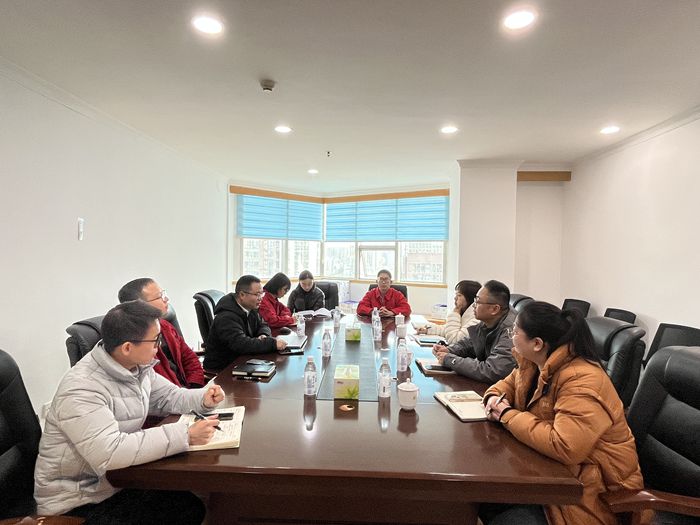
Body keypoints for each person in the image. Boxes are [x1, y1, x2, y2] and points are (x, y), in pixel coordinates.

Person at [34, 300, 225, 523]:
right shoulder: (81, 388)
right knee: (187, 509)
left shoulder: (135, 367)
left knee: (189, 504)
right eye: (156, 340)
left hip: (114, 482)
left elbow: (169, 396)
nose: (159, 346)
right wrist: (184, 434)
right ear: (127, 347)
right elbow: (109, 452)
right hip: (78, 501)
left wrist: (203, 398)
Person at [481, 301, 643, 525]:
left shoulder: (582, 380)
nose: (511, 336)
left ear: (537, 343)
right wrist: (492, 398)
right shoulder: (533, 363)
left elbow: (566, 446)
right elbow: (504, 386)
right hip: (552, 475)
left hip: (591, 497)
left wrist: (506, 415)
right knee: (479, 497)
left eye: (515, 332)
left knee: (502, 515)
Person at [118, 278, 204, 387]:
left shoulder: (165, 325)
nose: (166, 299)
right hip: (166, 395)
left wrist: (195, 387)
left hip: (185, 391)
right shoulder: (135, 344)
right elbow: (152, 388)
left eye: (164, 294)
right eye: (160, 296)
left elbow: (189, 358)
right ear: (140, 306)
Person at [433, 280, 516, 383]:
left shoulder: (512, 331)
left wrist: (451, 360)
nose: (473, 305)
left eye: (478, 301)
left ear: (494, 309)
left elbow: (492, 370)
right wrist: (449, 350)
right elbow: (472, 343)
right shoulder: (490, 320)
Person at [204, 274, 287, 370]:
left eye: (261, 294)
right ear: (242, 295)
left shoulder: (250, 308)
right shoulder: (226, 317)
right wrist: (272, 344)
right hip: (224, 369)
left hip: (243, 361)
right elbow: (241, 344)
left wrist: (263, 335)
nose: (260, 298)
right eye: (257, 294)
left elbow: (263, 324)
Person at [417, 280, 481, 344]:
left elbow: (454, 339)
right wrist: (428, 330)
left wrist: (455, 313)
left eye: (459, 295)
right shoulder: (465, 313)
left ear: (470, 298)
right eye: (456, 295)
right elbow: (448, 330)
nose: (455, 298)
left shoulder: (476, 319)